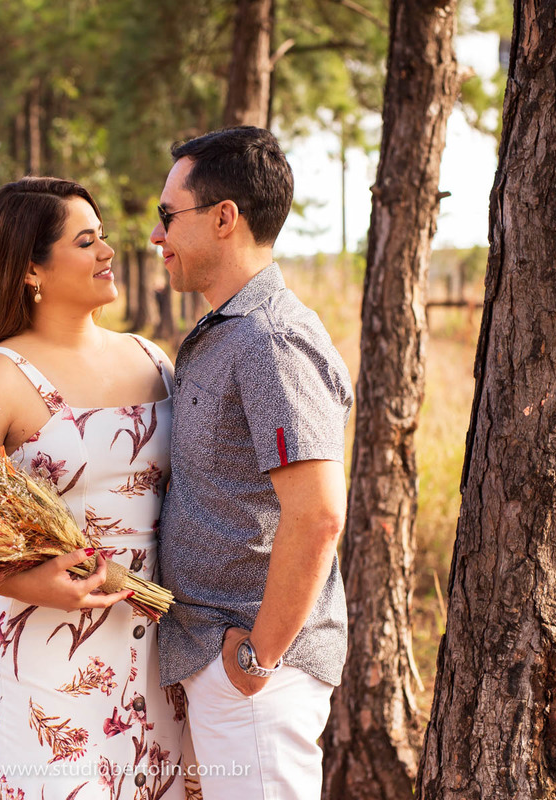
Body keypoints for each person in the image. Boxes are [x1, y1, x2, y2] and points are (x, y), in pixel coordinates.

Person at [0, 177, 189, 799]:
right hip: (51, 654)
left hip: (165, 642)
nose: (107, 253)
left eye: (102, 237)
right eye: (85, 241)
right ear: (32, 269)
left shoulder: (153, 358)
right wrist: (24, 583)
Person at [151, 127, 353, 799]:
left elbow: (320, 513)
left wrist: (257, 655)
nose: (157, 237)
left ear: (224, 218)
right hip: (220, 656)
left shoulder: (272, 339)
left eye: (167, 215)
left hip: (256, 668)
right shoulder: (226, 329)